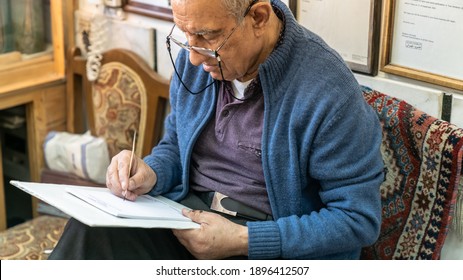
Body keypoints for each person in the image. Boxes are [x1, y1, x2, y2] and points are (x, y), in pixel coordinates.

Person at [49, 0, 384, 260]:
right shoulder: (198, 60)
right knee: (90, 231)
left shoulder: (328, 91)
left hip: (265, 244)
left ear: (258, 18)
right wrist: (150, 172)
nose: (193, 57)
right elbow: (176, 145)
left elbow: (356, 219)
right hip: (188, 219)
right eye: (185, 35)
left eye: (207, 36)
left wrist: (244, 241)